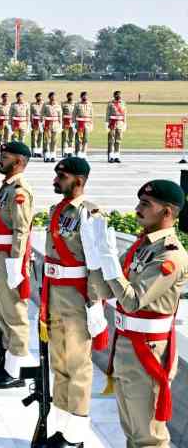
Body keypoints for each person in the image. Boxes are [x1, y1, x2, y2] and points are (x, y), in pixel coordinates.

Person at [94, 179, 188, 448]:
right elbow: (107, 290)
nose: (138, 209)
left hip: (148, 351)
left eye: (146, 204)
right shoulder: (143, 245)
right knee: (133, 430)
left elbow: (132, 300)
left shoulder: (170, 256)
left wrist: (111, 265)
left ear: (167, 212)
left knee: (149, 436)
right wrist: (96, 257)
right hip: (127, 344)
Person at [41, 156, 109, 447]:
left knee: (78, 365)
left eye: (62, 177)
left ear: (78, 181)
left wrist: (95, 304)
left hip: (78, 298)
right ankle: (61, 427)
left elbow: (99, 262)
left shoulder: (90, 213)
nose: (56, 181)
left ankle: (76, 434)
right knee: (59, 364)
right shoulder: (58, 210)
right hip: (56, 294)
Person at [0, 141, 34, 389]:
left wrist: (16, 263)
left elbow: (21, 231)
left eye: (5, 157)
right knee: (3, 313)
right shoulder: (6, 187)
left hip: (9, 258)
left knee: (15, 315)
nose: (0, 160)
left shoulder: (19, 191)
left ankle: (15, 370)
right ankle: (5, 364)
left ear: (18, 162)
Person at [42, 91, 62, 163]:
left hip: (55, 124)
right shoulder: (45, 105)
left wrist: (60, 125)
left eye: (54, 96)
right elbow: (42, 114)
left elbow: (60, 115)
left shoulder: (58, 105)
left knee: (54, 140)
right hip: (47, 124)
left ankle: (53, 155)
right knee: (46, 140)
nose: (53, 98)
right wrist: (42, 123)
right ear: (49, 97)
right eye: (52, 96)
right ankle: (46, 155)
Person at [107, 90, 127, 163]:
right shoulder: (110, 103)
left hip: (120, 123)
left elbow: (124, 113)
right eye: (117, 95)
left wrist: (125, 123)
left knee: (118, 140)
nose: (119, 96)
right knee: (111, 140)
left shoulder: (123, 103)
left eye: (120, 95)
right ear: (114, 95)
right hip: (112, 123)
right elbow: (107, 114)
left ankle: (117, 156)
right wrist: (106, 124)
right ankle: (111, 156)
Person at [74, 91, 93, 159]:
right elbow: (74, 115)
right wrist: (73, 124)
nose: (85, 97)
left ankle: (83, 152)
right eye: (84, 96)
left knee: (86, 139)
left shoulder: (90, 104)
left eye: (86, 96)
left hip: (87, 124)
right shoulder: (77, 104)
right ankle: (78, 152)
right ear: (81, 97)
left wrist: (91, 124)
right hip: (79, 124)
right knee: (79, 139)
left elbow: (91, 115)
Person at [61, 92, 77, 158]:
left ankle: (70, 152)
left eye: (72, 96)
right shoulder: (64, 104)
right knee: (65, 137)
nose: (71, 97)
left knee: (71, 138)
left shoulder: (75, 104)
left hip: (73, 122)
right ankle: (65, 152)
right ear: (67, 97)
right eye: (70, 96)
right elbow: (61, 114)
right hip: (66, 122)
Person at [30, 92, 44, 157]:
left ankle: (39, 152)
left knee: (40, 137)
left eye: (40, 96)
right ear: (36, 97)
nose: (39, 98)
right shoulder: (32, 105)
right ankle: (34, 152)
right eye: (38, 96)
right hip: (35, 120)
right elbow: (31, 114)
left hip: (42, 121)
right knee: (34, 137)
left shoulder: (44, 104)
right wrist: (31, 122)